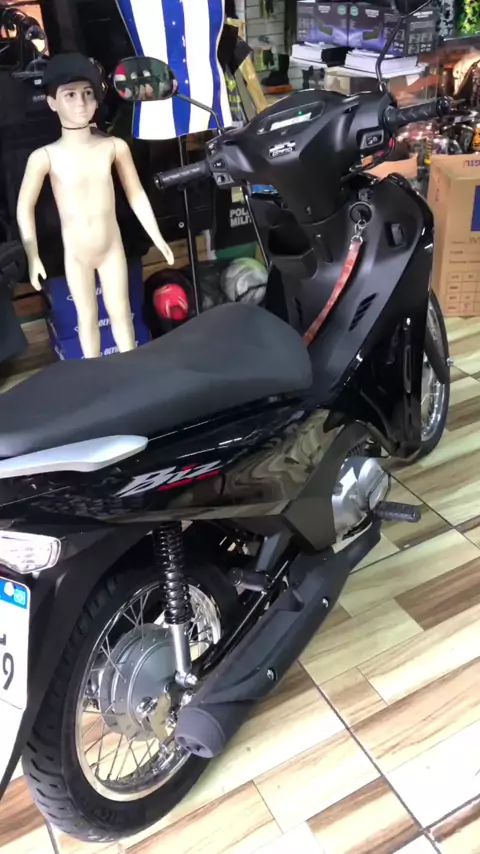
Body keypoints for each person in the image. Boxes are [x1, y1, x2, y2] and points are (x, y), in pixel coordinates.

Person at [17, 53, 174, 358]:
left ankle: (134, 373)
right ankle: (94, 379)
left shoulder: (113, 147)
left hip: (111, 248)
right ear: (52, 102)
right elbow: (25, 207)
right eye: (70, 95)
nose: (81, 103)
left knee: (122, 314)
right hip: (76, 254)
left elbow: (136, 195)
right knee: (86, 319)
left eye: (88, 93)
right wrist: (32, 255)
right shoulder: (45, 157)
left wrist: (158, 237)